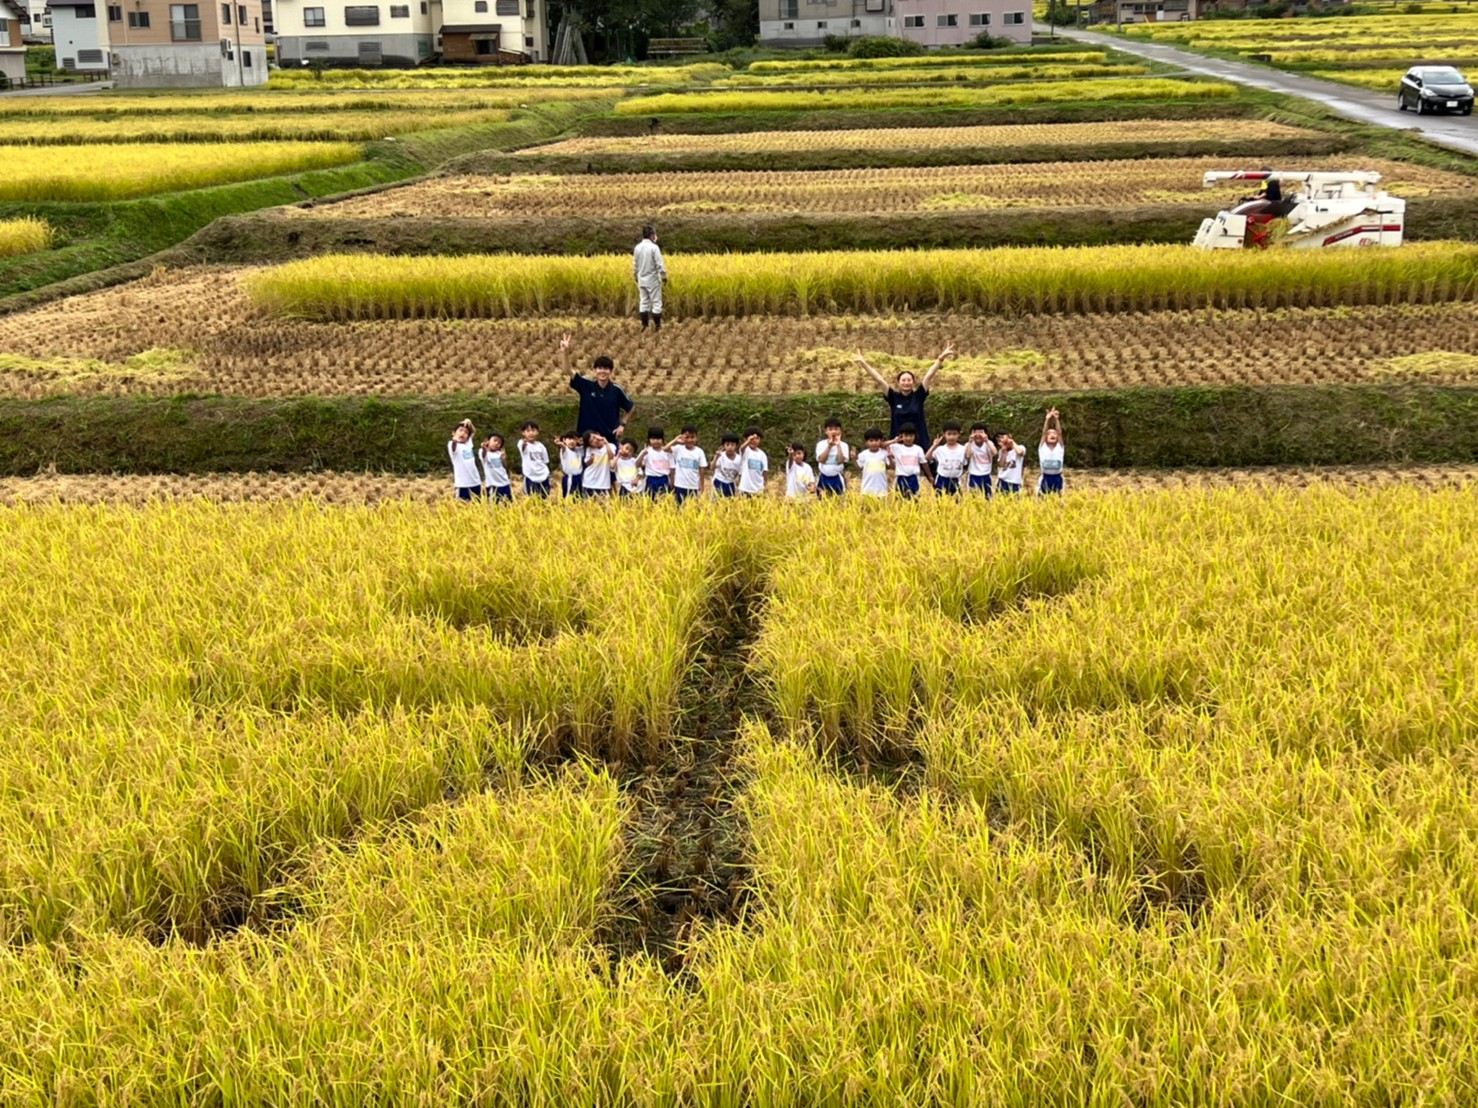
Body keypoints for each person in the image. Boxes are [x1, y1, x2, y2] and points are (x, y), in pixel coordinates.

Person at [853, 343, 955, 455]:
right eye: (903, 380)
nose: (906, 383)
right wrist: (863, 364)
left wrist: (941, 358)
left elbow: (929, 375)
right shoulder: (893, 397)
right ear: (898, 383)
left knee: (924, 466)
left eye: (909, 380)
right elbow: (879, 380)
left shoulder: (919, 395)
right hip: (898, 441)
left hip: (919, 439)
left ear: (913, 382)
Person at [562, 335, 633, 442]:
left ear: (611, 371)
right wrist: (565, 352)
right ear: (595, 369)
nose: (602, 371)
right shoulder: (586, 385)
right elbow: (568, 370)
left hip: (608, 440)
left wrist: (622, 425)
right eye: (599, 368)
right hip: (585, 439)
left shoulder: (616, 390)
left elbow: (630, 407)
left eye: (606, 368)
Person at [633, 225, 668, 331]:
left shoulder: (637, 248)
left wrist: (635, 276)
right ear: (651, 235)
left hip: (641, 279)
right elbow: (659, 264)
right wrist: (664, 276)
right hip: (652, 279)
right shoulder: (654, 248)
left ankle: (644, 325)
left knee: (643, 301)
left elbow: (635, 265)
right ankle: (657, 326)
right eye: (654, 234)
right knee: (656, 302)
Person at [888, 424, 931, 500]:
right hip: (901, 477)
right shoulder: (896, 447)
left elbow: (924, 463)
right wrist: (894, 441)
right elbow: (882, 445)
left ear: (915, 436)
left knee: (914, 498)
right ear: (901, 436)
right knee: (899, 498)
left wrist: (930, 476)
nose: (908, 438)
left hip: (913, 477)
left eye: (911, 436)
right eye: (906, 436)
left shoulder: (918, 449)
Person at [669, 427, 707, 505]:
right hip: (680, 485)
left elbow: (702, 469)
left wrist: (702, 484)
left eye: (692, 437)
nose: (690, 440)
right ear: (682, 437)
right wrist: (675, 440)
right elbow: (665, 449)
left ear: (697, 438)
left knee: (692, 508)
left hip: (694, 485)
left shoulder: (699, 452)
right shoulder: (678, 449)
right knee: (679, 507)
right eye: (687, 437)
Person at [929, 421, 967, 497]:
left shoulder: (963, 449)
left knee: (958, 503)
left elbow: (966, 462)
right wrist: (934, 446)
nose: (951, 437)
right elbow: (927, 457)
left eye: (954, 434)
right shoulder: (940, 449)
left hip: (956, 480)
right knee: (940, 503)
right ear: (944, 434)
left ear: (959, 434)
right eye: (949, 434)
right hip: (942, 479)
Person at [448, 419, 482, 501]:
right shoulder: (452, 444)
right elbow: (453, 447)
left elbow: (473, 432)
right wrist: (455, 440)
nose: (463, 433)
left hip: (476, 482)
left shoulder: (468, 444)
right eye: (460, 430)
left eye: (466, 432)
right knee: (462, 508)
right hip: (462, 484)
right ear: (453, 433)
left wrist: (469, 422)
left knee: (477, 507)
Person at [815, 417, 850, 497]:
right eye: (830, 429)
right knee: (821, 498)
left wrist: (838, 446)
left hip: (837, 477)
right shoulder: (821, 444)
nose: (833, 431)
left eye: (836, 429)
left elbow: (841, 461)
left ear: (840, 431)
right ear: (826, 431)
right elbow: (821, 460)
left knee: (840, 499)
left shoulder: (844, 445)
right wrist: (829, 446)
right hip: (823, 476)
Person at [517, 420, 551, 499]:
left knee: (544, 497)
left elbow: (545, 461)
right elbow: (522, 447)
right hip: (530, 476)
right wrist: (524, 444)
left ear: (537, 432)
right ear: (523, 433)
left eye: (533, 430)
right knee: (531, 498)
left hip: (543, 475)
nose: (531, 433)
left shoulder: (541, 446)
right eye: (528, 431)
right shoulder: (522, 443)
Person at [854, 428, 891, 499]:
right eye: (871, 440)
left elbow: (891, 466)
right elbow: (859, 468)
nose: (874, 443)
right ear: (866, 442)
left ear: (881, 441)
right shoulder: (863, 455)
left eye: (876, 440)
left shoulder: (884, 453)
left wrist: (890, 457)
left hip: (882, 488)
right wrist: (854, 459)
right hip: (867, 488)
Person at [638, 427, 673, 499]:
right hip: (651, 479)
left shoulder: (667, 452)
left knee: (664, 501)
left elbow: (672, 469)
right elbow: (637, 465)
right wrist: (642, 455)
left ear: (662, 439)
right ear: (649, 440)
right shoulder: (646, 451)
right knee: (650, 500)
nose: (656, 441)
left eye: (658, 439)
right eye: (653, 439)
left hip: (664, 479)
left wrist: (672, 483)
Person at [1038, 408, 1066, 496]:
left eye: (1054, 434)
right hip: (1045, 477)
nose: (1052, 435)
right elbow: (1043, 432)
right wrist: (1047, 419)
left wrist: (1056, 419)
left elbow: (1059, 432)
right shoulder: (1042, 447)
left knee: (1058, 497)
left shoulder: (1060, 447)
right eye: (1049, 434)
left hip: (1057, 477)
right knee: (1043, 497)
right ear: (1046, 437)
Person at [479, 432, 513, 504]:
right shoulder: (483, 452)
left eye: (499, 443)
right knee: (494, 506)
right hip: (493, 485)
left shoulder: (499, 453)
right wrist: (484, 448)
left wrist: (504, 459)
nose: (497, 443)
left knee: (509, 505)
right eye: (495, 440)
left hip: (505, 483)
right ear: (487, 441)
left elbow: (505, 467)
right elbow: (483, 456)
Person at [580, 431, 616, 498]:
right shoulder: (589, 449)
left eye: (594, 437)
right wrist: (591, 459)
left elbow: (611, 456)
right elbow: (587, 463)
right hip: (589, 482)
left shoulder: (611, 446)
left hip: (603, 483)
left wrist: (606, 443)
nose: (595, 441)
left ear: (598, 434)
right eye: (591, 442)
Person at [965, 421, 996, 497]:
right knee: (974, 497)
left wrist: (987, 440)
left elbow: (995, 453)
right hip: (974, 475)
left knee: (988, 496)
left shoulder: (989, 444)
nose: (978, 435)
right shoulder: (969, 444)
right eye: (975, 432)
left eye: (981, 432)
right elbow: (967, 456)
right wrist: (970, 442)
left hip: (986, 475)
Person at [738, 428, 769, 498]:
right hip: (745, 489)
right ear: (745, 440)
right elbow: (741, 448)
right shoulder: (746, 451)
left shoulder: (762, 455)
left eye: (757, 438)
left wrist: (766, 485)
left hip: (758, 489)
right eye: (752, 439)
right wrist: (748, 441)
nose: (754, 441)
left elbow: (765, 471)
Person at [996, 430, 1026, 495]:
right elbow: (1001, 465)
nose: (1001, 440)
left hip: (1015, 481)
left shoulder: (1020, 447)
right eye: (998, 440)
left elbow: (1020, 452)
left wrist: (1011, 441)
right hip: (1003, 480)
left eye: (1002, 437)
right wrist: (1004, 452)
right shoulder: (1001, 451)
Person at [712, 434, 743, 498]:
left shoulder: (739, 458)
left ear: (736, 446)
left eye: (732, 445)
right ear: (724, 446)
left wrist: (739, 486)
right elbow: (712, 467)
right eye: (727, 444)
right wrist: (716, 457)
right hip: (719, 481)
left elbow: (740, 474)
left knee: (730, 501)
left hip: (731, 483)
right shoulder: (721, 456)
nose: (730, 447)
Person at [557, 430, 584, 500]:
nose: (572, 441)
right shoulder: (565, 450)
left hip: (579, 477)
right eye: (569, 439)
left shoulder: (579, 450)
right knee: (568, 497)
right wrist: (560, 443)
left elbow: (586, 445)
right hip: (570, 477)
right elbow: (562, 446)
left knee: (579, 497)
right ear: (564, 440)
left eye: (574, 439)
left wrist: (582, 442)